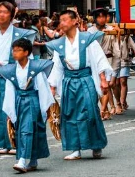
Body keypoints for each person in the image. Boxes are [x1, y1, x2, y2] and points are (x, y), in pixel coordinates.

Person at [47, 10, 112, 161]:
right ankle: (75, 148)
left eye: (64, 20)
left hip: (85, 79)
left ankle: (96, 145)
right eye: (60, 21)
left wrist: (103, 79)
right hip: (69, 80)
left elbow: (99, 59)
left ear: (75, 20)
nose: (62, 23)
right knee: (69, 113)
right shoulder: (59, 44)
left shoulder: (87, 39)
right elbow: (57, 66)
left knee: (90, 111)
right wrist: (52, 86)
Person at [0, 1, 35, 154]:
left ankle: (16, 141)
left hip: (14, 76)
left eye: (5, 12)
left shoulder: (21, 34)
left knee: (15, 108)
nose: (2, 15)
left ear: (11, 15)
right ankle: (2, 142)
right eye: (0, 11)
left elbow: (28, 56)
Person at [1, 38, 53, 173]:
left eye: (18, 50)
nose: (15, 53)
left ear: (26, 52)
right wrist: (10, 109)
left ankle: (23, 159)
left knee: (27, 129)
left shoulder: (36, 68)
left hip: (32, 100)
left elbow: (42, 87)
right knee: (23, 129)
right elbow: (10, 90)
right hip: (19, 100)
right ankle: (33, 159)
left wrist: (45, 107)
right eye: (14, 50)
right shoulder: (10, 70)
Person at [87, 8, 121, 118]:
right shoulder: (90, 31)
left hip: (109, 58)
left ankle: (110, 107)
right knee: (100, 86)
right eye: (99, 17)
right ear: (95, 18)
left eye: (103, 16)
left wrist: (118, 33)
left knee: (109, 84)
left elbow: (116, 46)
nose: (102, 19)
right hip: (96, 61)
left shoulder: (111, 29)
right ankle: (105, 109)